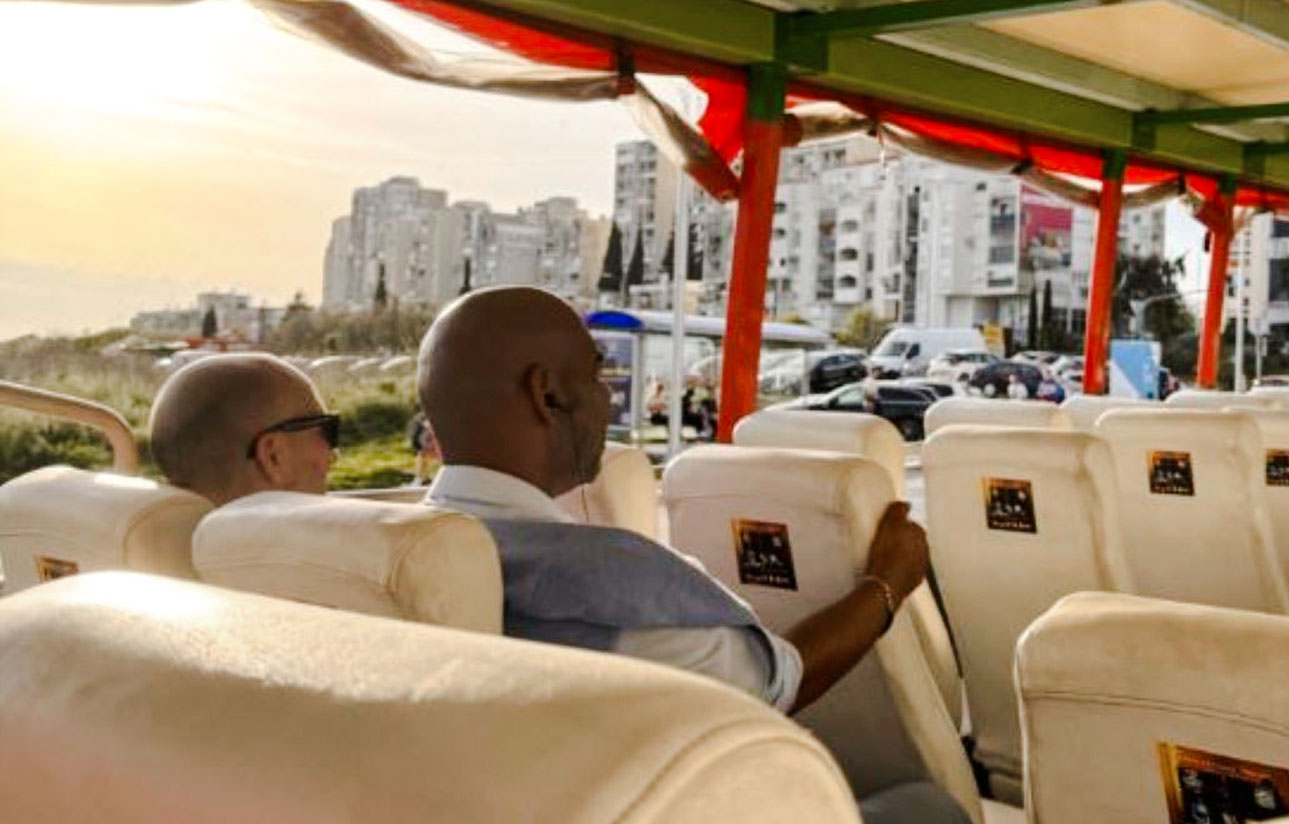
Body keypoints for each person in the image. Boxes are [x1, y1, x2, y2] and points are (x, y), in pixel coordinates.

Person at [416, 287, 931, 712]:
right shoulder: (607, 588)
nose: (606, 397)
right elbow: (780, 683)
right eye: (596, 376)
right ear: (546, 394)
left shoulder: (385, 553)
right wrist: (888, 582)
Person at [148, 352, 338, 505]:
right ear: (273, 456)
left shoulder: (167, 544)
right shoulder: (322, 550)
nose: (334, 455)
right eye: (326, 431)